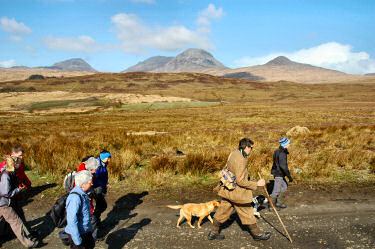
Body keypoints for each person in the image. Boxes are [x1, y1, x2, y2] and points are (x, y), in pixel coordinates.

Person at [208, 138, 272, 241]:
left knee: (222, 212)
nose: (251, 150)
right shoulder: (241, 160)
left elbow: (232, 169)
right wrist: (257, 184)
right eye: (251, 148)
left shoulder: (234, 153)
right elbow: (241, 181)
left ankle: (213, 232)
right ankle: (257, 235)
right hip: (238, 194)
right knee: (247, 212)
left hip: (228, 190)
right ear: (246, 147)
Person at [0, 156, 39, 248]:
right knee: (16, 222)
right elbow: (6, 193)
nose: (21, 165)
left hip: (4, 202)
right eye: (19, 163)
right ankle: (29, 243)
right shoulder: (6, 175)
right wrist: (18, 190)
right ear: (15, 164)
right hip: (5, 203)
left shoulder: (9, 173)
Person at [65, 170, 95, 249]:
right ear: (83, 184)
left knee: (91, 245)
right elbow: (72, 220)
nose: (92, 184)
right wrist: (77, 240)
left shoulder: (83, 193)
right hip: (78, 234)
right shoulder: (75, 198)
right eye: (90, 182)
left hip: (85, 231)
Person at [77, 157, 100, 240]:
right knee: (89, 219)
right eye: (95, 169)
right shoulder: (84, 177)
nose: (96, 170)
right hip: (84, 201)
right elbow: (81, 190)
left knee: (86, 220)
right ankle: (92, 237)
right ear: (91, 169)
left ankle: (90, 236)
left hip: (87, 200)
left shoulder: (89, 174)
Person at [270, 137, 293, 210]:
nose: (289, 144)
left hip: (279, 172)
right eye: (288, 143)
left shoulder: (278, 150)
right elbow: (283, 166)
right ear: (285, 144)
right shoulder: (282, 153)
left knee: (284, 186)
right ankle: (272, 206)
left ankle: (279, 202)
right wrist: (289, 176)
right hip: (278, 173)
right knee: (276, 190)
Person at [92, 150, 111, 229]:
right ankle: (94, 223)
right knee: (101, 206)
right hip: (97, 189)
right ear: (103, 157)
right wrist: (104, 184)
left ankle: (97, 222)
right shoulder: (97, 165)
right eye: (108, 158)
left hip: (101, 187)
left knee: (100, 206)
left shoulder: (103, 163)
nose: (110, 160)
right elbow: (95, 179)